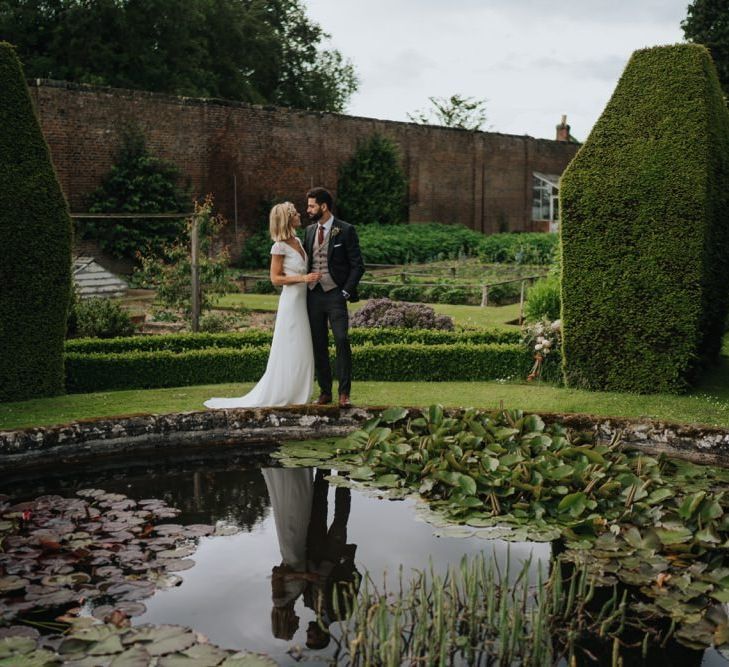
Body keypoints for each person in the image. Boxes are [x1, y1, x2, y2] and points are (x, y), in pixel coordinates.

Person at [204, 202, 320, 409]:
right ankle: (284, 392)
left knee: (302, 347)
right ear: (288, 218)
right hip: (291, 302)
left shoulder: (299, 241)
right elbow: (275, 279)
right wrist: (303, 278)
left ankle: (298, 392)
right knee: (290, 346)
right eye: (295, 213)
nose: (299, 214)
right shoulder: (279, 246)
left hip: (304, 301)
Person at [304, 187, 365, 408]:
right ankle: (325, 392)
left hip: (336, 295)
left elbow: (358, 266)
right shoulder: (309, 231)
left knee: (341, 340)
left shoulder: (346, 230)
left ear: (324, 206)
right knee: (318, 344)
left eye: (311, 205)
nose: (308, 209)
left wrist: (345, 291)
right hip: (313, 295)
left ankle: (344, 394)